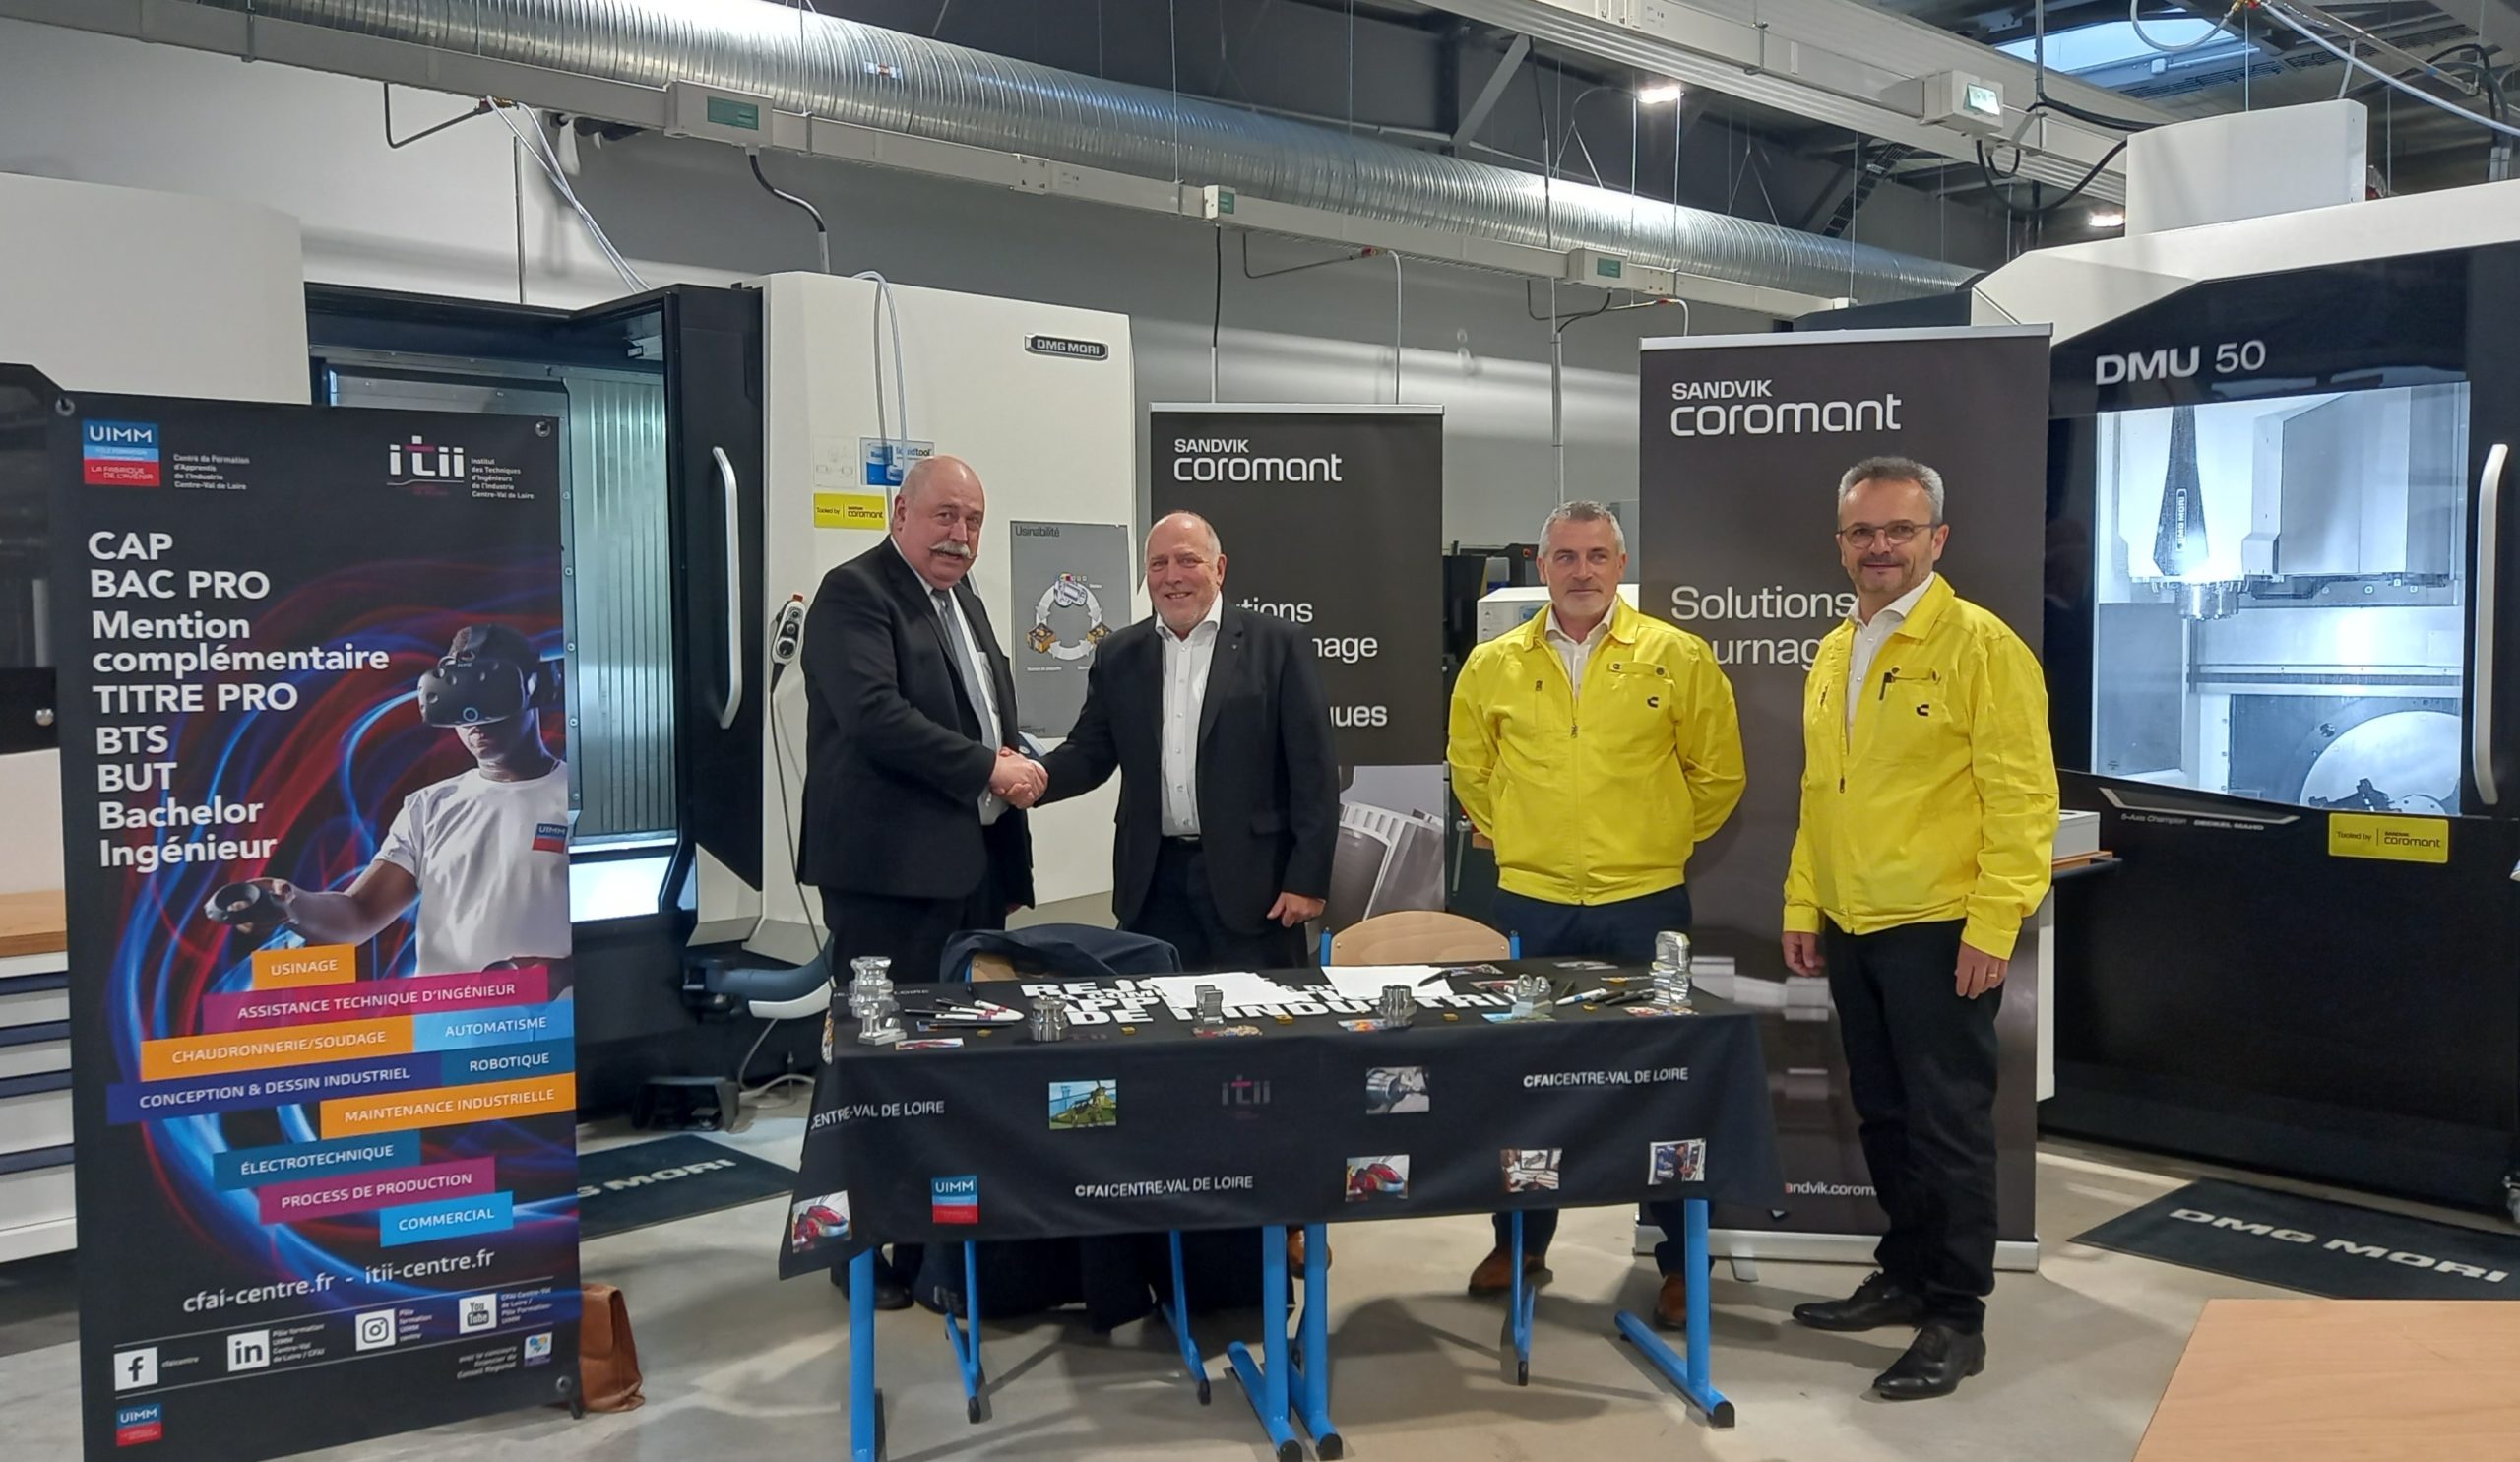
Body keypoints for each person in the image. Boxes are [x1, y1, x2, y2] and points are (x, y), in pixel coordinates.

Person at [1781, 456, 2057, 1401]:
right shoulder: (1836, 648)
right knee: (1886, 1114)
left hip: (1940, 929)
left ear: (1937, 539)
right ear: (1841, 544)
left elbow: (2023, 800)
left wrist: (1995, 922)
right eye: (1863, 531)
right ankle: (1904, 1272)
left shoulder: (1982, 646)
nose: (1881, 547)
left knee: (1948, 1126)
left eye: (1900, 529)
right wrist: (1804, 903)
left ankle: (1955, 1315)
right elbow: (1821, 793)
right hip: (1851, 922)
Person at [1447, 499, 1745, 1325]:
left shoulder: (1677, 656)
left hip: (1645, 903)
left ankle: (1679, 1257)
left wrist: (1655, 839)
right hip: (1533, 903)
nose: (1582, 571)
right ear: (1542, 567)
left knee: (1666, 1082)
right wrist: (1526, 841)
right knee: (1525, 1081)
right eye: (1567, 556)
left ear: (1621, 564)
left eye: (1598, 555)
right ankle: (1520, 1240)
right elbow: (1471, 770)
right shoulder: (1493, 665)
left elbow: (1719, 773)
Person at [797, 453, 1039, 1309]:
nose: (959, 535)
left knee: (952, 1068)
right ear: (900, 514)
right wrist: (989, 767)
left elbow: (981, 716)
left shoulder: (963, 599)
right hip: (887, 880)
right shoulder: (854, 593)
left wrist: (1013, 771)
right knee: (877, 1065)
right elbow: (875, 716)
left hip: (968, 871)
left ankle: (933, 1242)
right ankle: (859, 1245)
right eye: (944, 516)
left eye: (972, 521)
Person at [1036, 511, 1338, 970]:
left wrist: (1307, 879)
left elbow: (1314, 773)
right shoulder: (1119, 654)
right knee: (1155, 1012)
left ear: (1219, 569)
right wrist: (1032, 777)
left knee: (1258, 1012)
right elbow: (1090, 752)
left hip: (1255, 888)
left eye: (1187, 561)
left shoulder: (1278, 645)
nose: (1172, 576)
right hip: (1153, 885)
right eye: (1158, 564)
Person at [204, 623, 570, 979]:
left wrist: (563, 972)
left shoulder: (577, 798)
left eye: (489, 695)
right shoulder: (429, 807)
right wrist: (292, 904)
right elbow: (359, 914)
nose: (474, 719)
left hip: (551, 1015)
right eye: (458, 700)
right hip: (448, 1014)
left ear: (537, 689)